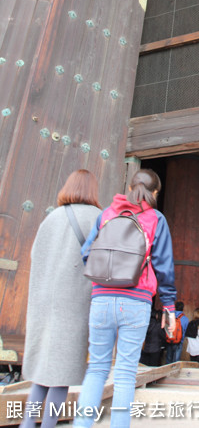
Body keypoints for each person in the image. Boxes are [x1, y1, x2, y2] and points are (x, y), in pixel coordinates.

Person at [74, 169, 176, 428]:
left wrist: (105, 275)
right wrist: (169, 307)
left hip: (101, 298)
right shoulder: (156, 218)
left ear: (130, 187)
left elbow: (87, 254)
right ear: (154, 193)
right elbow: (164, 266)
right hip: (136, 299)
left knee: (96, 368)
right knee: (125, 372)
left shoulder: (106, 214)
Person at [20, 170, 102, 428]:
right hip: (75, 302)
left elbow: (35, 255)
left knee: (44, 371)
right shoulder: (96, 218)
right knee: (61, 372)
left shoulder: (51, 218)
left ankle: (27, 422)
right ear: (91, 191)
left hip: (44, 302)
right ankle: (48, 424)